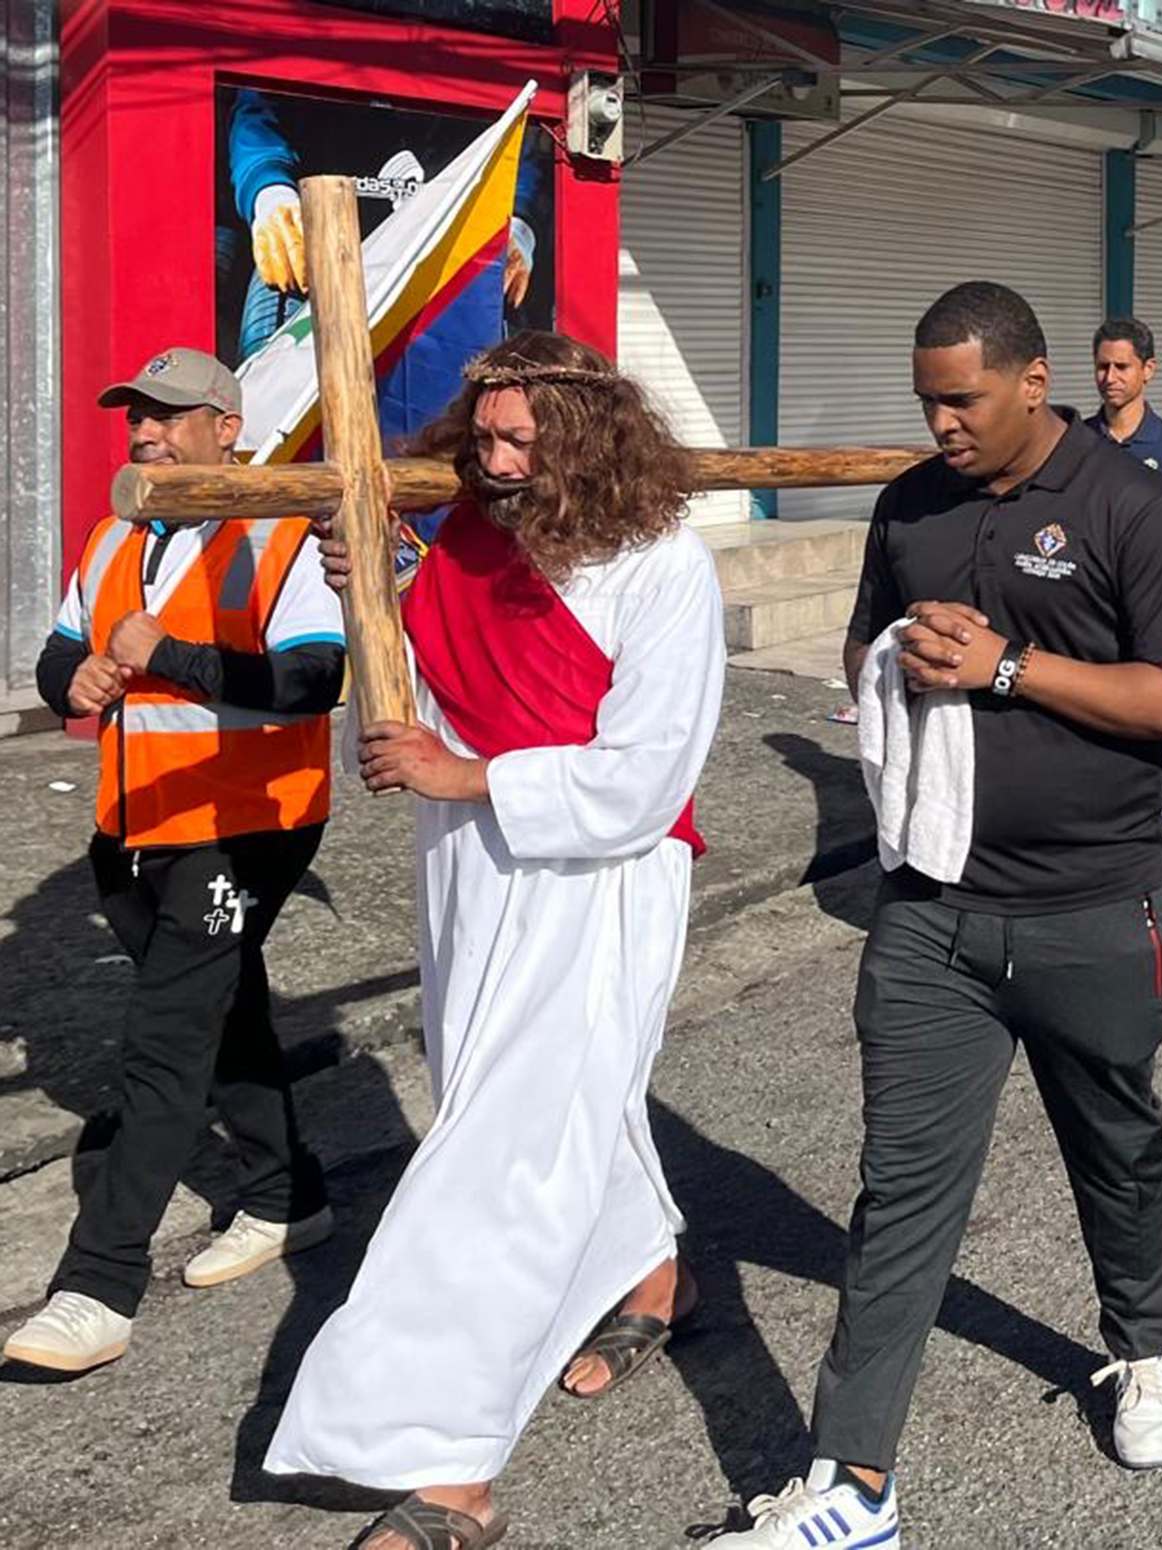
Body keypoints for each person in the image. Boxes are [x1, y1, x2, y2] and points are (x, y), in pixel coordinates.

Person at [710, 281, 1162, 1548]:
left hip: (1094, 902)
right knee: (899, 1190)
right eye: (925, 398)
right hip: (931, 906)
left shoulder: (1128, 504)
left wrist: (1008, 665)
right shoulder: (909, 504)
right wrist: (900, 656)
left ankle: (1143, 1348)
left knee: (1115, 1145)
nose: (938, 421)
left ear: (1031, 379)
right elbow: (857, 654)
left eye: (961, 398)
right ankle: (853, 1482)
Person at [262, 332, 725, 1550]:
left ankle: (446, 1463)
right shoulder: (467, 532)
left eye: (525, 442)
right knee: (537, 1101)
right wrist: (370, 581)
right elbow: (430, 676)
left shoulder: (660, 563)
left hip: (600, 875)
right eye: (487, 439)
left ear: (589, 442)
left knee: (504, 1145)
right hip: (468, 867)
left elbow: (644, 772)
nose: (500, 460)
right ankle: (648, 1272)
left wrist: (466, 776)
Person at [4, 349, 343, 1374]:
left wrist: (170, 658)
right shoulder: (117, 533)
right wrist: (89, 670)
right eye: (136, 419)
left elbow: (312, 679)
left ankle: (96, 1284)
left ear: (226, 428)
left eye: (168, 417)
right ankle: (290, 1197)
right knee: (220, 1002)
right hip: (134, 820)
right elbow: (57, 651)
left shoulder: (278, 532)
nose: (145, 434)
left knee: (163, 1035)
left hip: (247, 819)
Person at [1085, 316, 1162, 483]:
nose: (1110, 377)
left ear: (1148, 369)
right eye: (1103, 366)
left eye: (1121, 367)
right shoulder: (1077, 440)